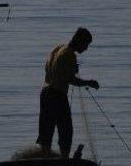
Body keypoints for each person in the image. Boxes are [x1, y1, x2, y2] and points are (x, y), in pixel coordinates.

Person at [36, 28, 99, 159]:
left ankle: (42, 156)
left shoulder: (58, 48)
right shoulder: (69, 54)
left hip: (45, 93)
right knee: (66, 130)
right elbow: (70, 79)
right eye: (86, 45)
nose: (86, 48)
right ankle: (64, 159)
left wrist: (71, 69)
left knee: (46, 131)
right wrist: (89, 83)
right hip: (57, 96)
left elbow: (56, 69)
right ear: (79, 41)